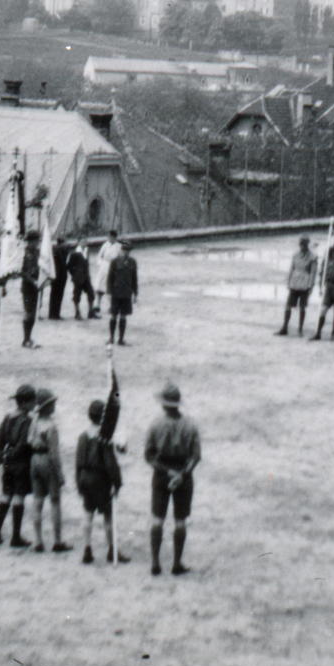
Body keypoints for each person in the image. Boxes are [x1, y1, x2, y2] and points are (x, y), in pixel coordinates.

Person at [144, 382, 201, 576]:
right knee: (180, 521)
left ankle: (155, 563)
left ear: (163, 404)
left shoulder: (155, 424)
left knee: (158, 519)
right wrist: (182, 474)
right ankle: (177, 564)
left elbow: (149, 455)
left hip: (161, 474)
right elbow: (196, 456)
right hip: (183, 475)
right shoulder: (190, 425)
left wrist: (168, 473)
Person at [76, 390, 128, 564]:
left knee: (88, 515)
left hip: (84, 477)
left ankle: (87, 549)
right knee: (108, 516)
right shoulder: (104, 438)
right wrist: (117, 483)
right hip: (100, 480)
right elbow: (110, 463)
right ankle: (112, 550)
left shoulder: (83, 436)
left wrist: (78, 482)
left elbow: (78, 461)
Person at [0, 384, 37, 548]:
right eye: (32, 401)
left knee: (5, 495)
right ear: (25, 403)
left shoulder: (8, 417)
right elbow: (23, 444)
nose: (35, 404)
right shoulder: (28, 421)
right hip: (21, 463)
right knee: (19, 497)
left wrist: (0, 456)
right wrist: (11, 455)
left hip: (8, 462)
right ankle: (15, 537)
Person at [29, 388, 73, 552]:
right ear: (47, 407)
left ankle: (38, 541)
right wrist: (60, 475)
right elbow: (54, 455)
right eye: (52, 403)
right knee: (55, 501)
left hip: (34, 460)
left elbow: (29, 440)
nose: (55, 405)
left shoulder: (34, 422)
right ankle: (57, 541)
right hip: (47, 461)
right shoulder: (52, 426)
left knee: (37, 501)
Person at [278, 236, 318, 337]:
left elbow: (313, 273)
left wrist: (311, 286)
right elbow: (291, 268)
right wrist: (288, 281)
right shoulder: (295, 255)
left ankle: (300, 329)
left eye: (304, 245)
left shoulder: (313, 257)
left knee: (302, 307)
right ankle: (284, 327)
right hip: (294, 283)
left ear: (307, 245)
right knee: (288, 305)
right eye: (301, 244)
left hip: (305, 284)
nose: (302, 247)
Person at [311, 241, 334, 342]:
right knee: (323, 310)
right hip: (328, 287)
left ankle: (333, 333)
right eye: (333, 251)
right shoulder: (327, 261)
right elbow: (322, 275)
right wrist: (320, 287)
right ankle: (318, 332)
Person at [106, 241, 139, 346]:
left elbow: (134, 278)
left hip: (126, 293)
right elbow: (109, 278)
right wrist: (108, 292)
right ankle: (111, 338)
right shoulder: (114, 262)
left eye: (128, 250)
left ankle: (121, 339)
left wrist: (135, 293)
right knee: (113, 316)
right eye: (124, 250)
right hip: (116, 292)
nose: (126, 252)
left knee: (123, 316)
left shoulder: (132, 262)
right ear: (120, 250)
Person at [19, 231, 41, 349]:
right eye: (36, 241)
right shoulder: (23, 253)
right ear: (31, 241)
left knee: (33, 313)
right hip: (27, 286)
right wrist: (32, 281)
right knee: (28, 312)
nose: (37, 243)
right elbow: (21, 272)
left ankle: (29, 337)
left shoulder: (37, 252)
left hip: (36, 285)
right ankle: (25, 339)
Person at [66, 240, 95, 319]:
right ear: (78, 243)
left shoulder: (86, 251)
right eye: (82, 242)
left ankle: (91, 312)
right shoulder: (75, 253)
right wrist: (75, 274)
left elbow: (86, 264)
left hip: (86, 277)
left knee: (91, 293)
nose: (84, 243)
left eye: (85, 242)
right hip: (78, 278)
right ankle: (77, 312)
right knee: (77, 295)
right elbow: (69, 266)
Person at [49, 238, 71, 320]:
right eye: (65, 243)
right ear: (61, 243)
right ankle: (53, 313)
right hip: (57, 275)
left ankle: (55, 313)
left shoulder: (62, 250)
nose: (67, 245)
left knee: (58, 294)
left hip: (61, 275)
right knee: (55, 294)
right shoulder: (56, 250)